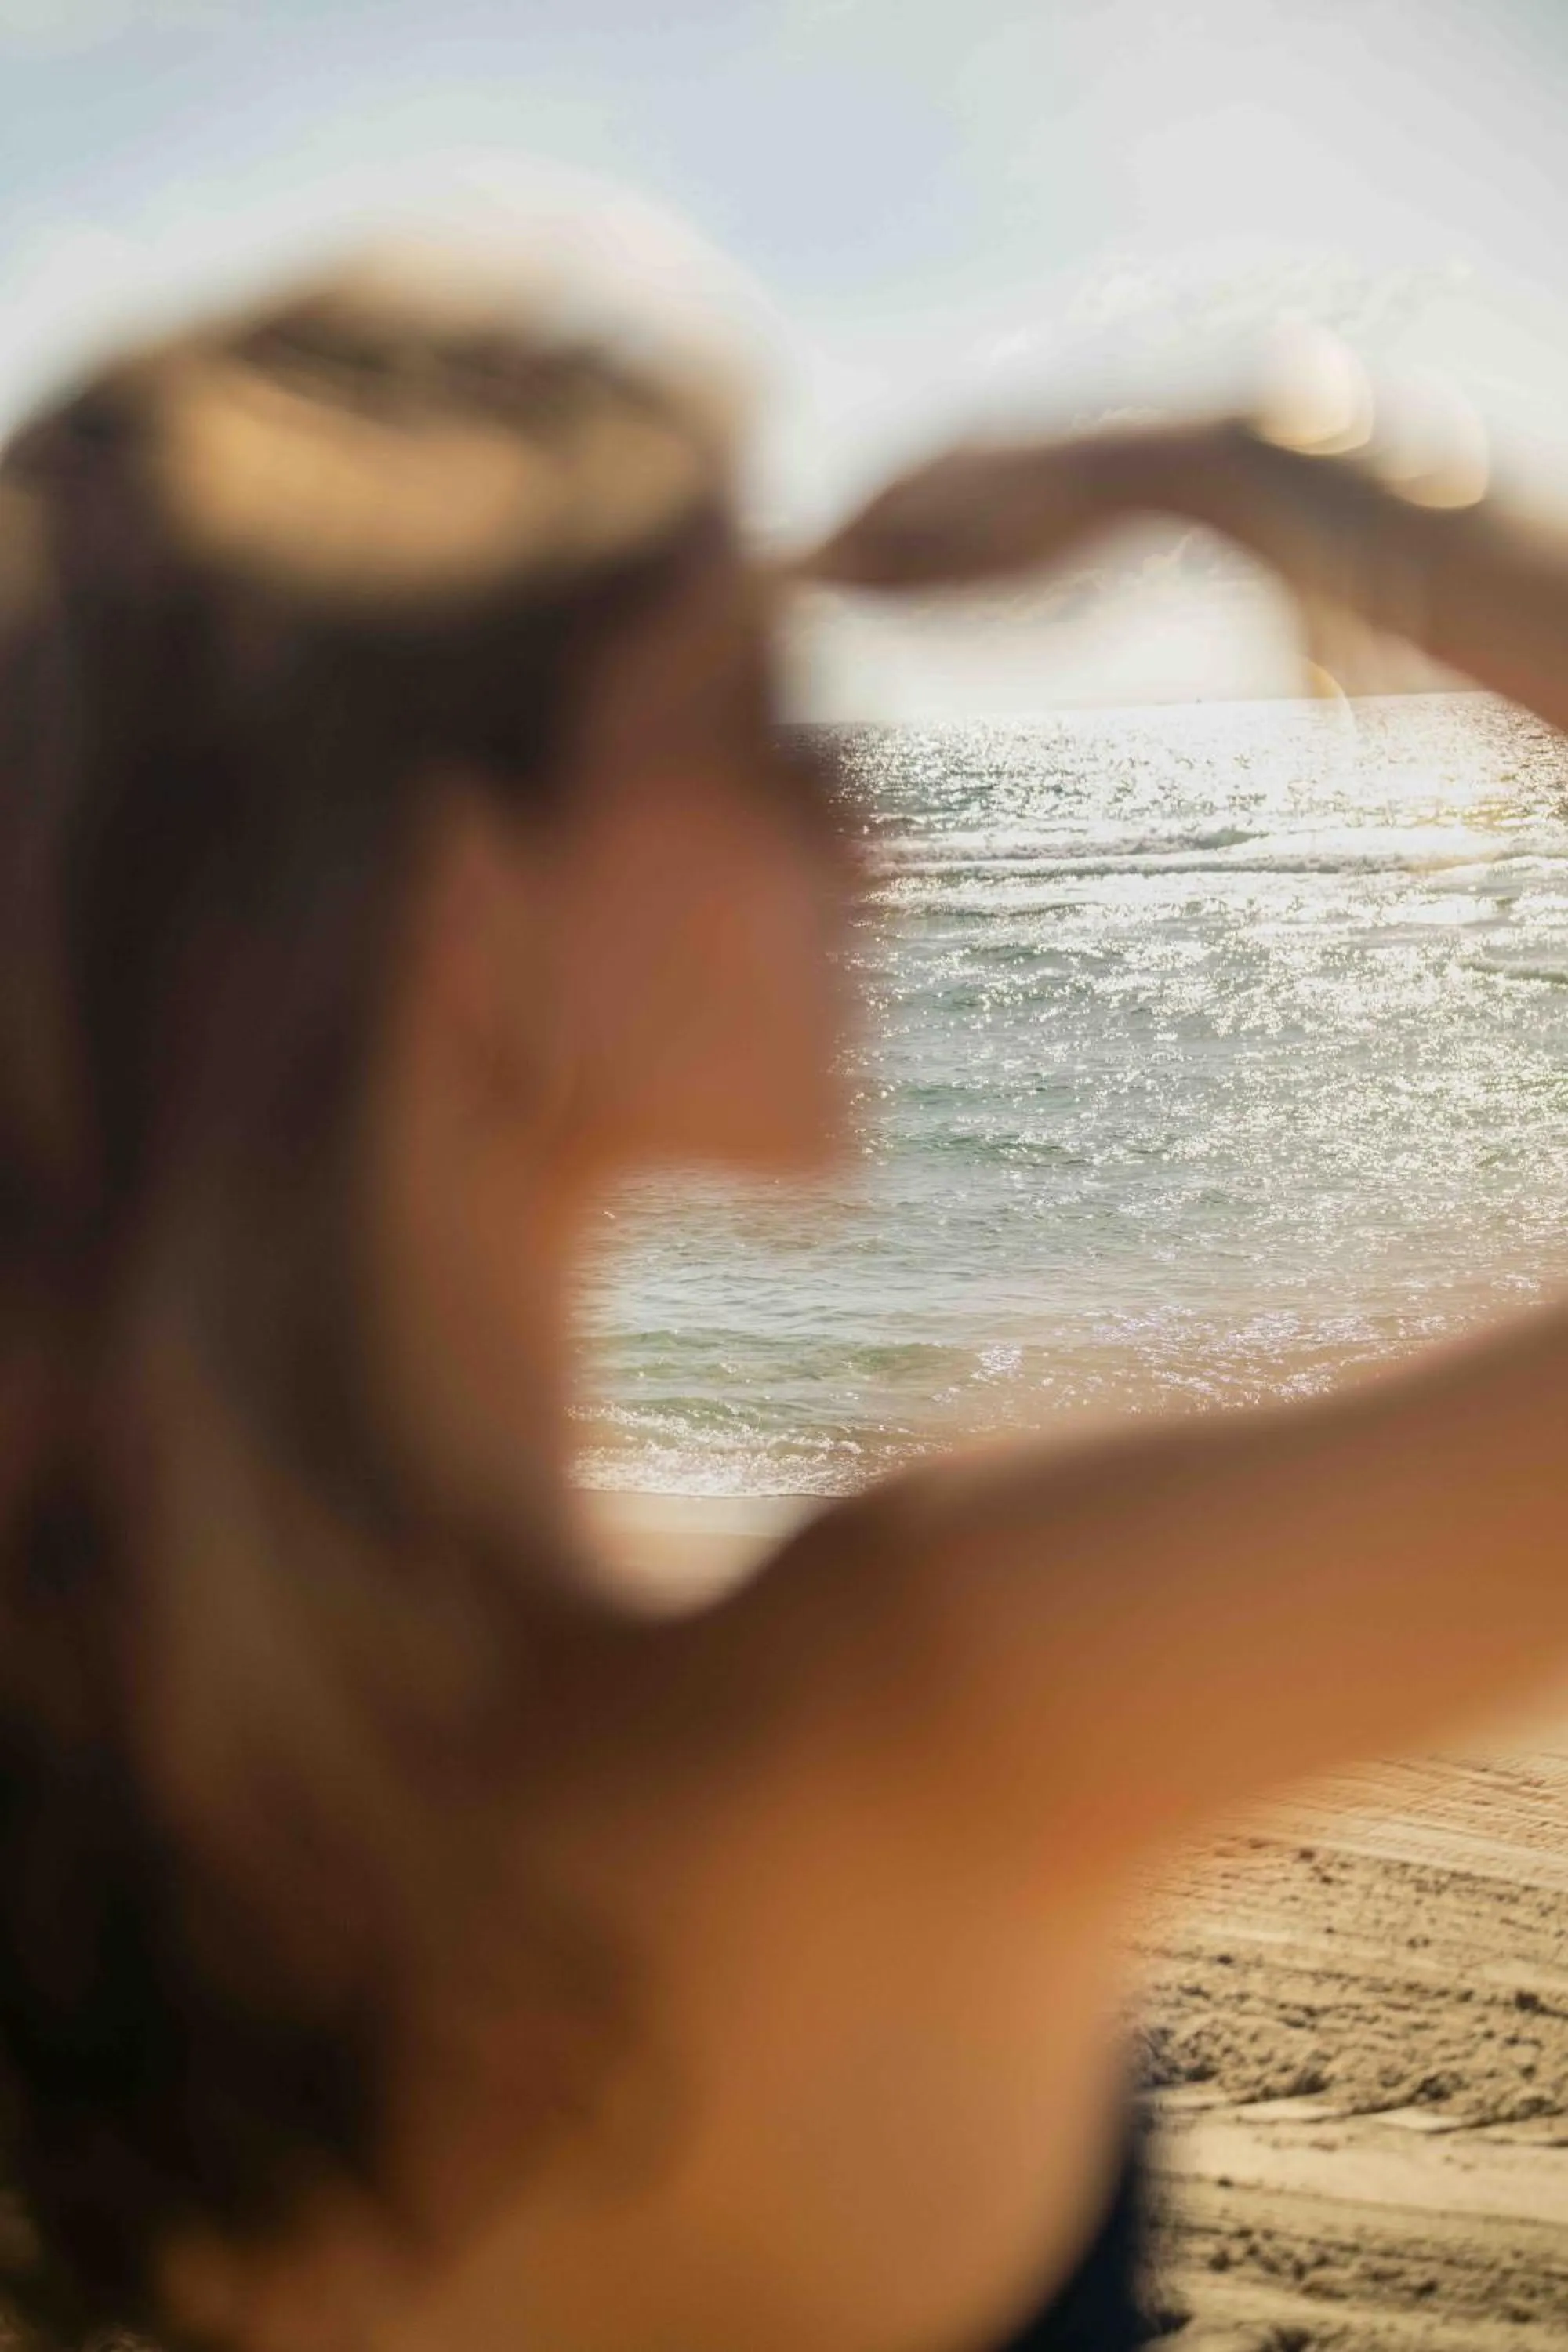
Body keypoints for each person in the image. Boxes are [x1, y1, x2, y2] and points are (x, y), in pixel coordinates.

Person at [4, 246, 1568, 2352]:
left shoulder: (104, 1799)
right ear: (483, 931)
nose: (879, 837)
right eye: (760, 730)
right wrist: (1267, 471)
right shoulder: (913, 1712)